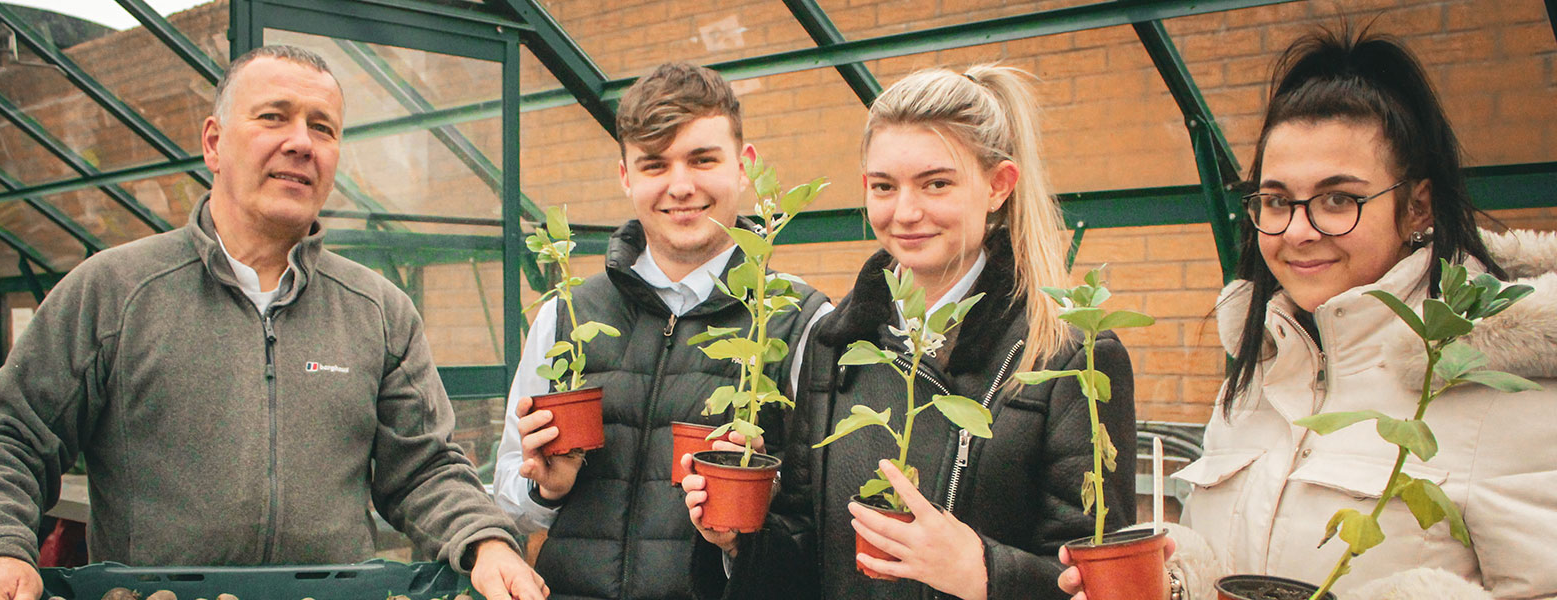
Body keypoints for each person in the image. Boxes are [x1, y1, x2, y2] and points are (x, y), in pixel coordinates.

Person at [0, 46, 544, 600]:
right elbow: (7, 438)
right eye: (274, 117)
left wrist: (485, 539)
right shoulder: (114, 292)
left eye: (323, 127)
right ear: (214, 143)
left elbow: (424, 467)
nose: (301, 143)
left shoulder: (377, 310)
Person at [1058, 27, 1557, 600]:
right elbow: (1229, 555)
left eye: (1338, 199)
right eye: (1275, 201)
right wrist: (1174, 583)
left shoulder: (1514, 388)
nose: (1297, 231)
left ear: (1417, 206)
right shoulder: (1260, 373)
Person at [687, 64, 1138, 600]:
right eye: (884, 186)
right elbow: (809, 544)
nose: (906, 212)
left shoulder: (1070, 355)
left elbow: (1100, 577)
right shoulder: (837, 342)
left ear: (998, 186)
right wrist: (740, 541)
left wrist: (985, 574)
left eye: (936, 183)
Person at [491, 62, 829, 600]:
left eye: (702, 159)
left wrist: (744, 532)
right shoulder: (568, 315)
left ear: (744, 167)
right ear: (626, 176)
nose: (680, 186)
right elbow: (508, 488)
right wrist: (546, 489)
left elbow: (821, 520)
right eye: (654, 165)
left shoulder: (801, 319)